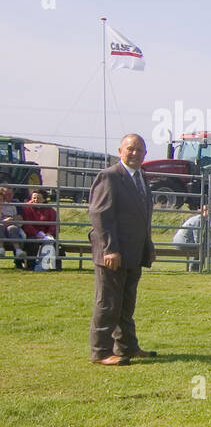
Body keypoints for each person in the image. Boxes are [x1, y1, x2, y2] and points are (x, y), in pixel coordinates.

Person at [88, 133, 157, 365]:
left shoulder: (142, 178)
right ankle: (101, 351)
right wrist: (110, 248)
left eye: (139, 150)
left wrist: (148, 246)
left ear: (145, 154)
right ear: (120, 151)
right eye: (130, 149)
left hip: (134, 254)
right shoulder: (109, 177)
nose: (135, 153)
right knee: (108, 303)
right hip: (113, 254)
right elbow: (100, 215)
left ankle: (127, 346)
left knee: (127, 304)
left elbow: (143, 217)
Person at [19, 190, 59, 270]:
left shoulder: (50, 210)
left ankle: (43, 265)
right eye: (34, 198)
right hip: (31, 233)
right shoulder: (26, 208)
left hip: (46, 234)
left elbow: (54, 224)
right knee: (32, 242)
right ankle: (30, 265)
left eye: (38, 198)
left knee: (51, 241)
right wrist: (36, 233)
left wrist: (49, 233)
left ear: (44, 200)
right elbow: (26, 224)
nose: (35, 200)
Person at [172, 206, 207, 271]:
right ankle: (194, 267)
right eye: (206, 211)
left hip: (181, 241)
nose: (208, 213)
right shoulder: (199, 220)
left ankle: (195, 267)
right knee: (202, 248)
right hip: (183, 242)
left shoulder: (199, 219)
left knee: (201, 247)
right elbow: (197, 236)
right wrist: (200, 244)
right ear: (202, 211)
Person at [1, 186, 27, 266]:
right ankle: (1, 248)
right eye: (7, 194)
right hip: (2, 228)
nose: (10, 196)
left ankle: (18, 252)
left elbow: (19, 218)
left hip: (12, 228)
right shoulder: (1, 204)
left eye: (11, 194)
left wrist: (11, 220)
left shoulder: (14, 203)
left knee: (12, 228)